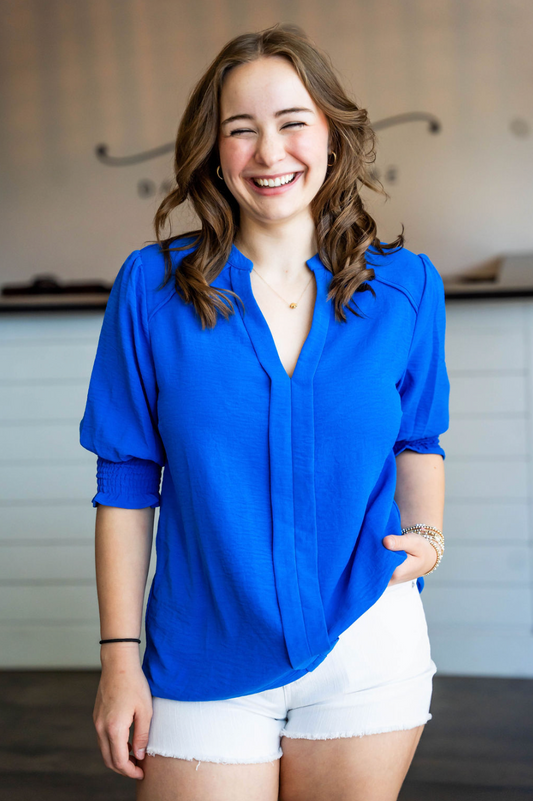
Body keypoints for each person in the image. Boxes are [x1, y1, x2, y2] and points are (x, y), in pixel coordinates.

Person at [79, 22, 450, 801]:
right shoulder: (149, 290)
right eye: (239, 130)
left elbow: (417, 439)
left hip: (366, 647)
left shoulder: (406, 287)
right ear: (213, 151)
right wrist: (119, 661)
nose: (269, 152)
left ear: (330, 135)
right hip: (201, 649)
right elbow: (125, 483)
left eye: (291, 123)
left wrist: (426, 538)